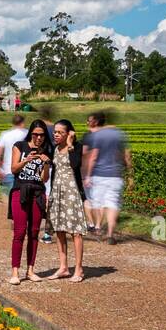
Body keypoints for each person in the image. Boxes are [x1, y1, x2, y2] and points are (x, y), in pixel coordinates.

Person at [8, 121, 50, 284]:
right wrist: (27, 160)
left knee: (34, 233)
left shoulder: (45, 152)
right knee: (19, 232)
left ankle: (30, 270)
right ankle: (15, 272)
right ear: (31, 133)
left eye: (41, 135)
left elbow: (44, 179)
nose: (38, 138)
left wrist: (46, 163)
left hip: (38, 193)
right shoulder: (20, 146)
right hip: (21, 191)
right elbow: (13, 169)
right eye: (35, 134)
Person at [83, 110, 133, 245]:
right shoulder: (120, 134)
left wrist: (87, 175)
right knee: (112, 204)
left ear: (98, 121)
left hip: (98, 174)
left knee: (96, 203)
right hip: (116, 174)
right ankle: (110, 233)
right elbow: (126, 155)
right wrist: (130, 173)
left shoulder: (98, 135)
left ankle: (98, 228)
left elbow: (93, 157)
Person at [48, 119, 88, 282]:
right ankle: (63, 267)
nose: (56, 134)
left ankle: (79, 268)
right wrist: (50, 193)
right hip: (57, 192)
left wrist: (71, 144)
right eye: (55, 132)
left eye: (60, 132)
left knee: (75, 231)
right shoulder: (55, 149)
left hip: (71, 192)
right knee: (59, 229)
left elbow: (75, 164)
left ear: (69, 133)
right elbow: (54, 173)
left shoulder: (76, 147)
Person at [0, 114, 27, 202]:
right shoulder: (27, 134)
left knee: (10, 200)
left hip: (8, 171)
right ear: (22, 123)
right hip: (24, 171)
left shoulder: (5, 134)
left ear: (13, 123)